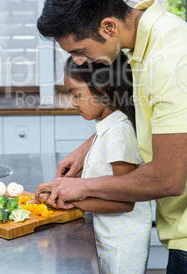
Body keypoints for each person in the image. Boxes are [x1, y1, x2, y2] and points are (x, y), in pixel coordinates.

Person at [35, 0, 187, 272]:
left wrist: (83, 189)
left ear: (108, 26)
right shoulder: (139, 43)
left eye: (79, 51)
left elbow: (168, 178)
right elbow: (139, 114)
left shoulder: (173, 58)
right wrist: (88, 147)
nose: (78, 62)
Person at [59, 53, 151, 273]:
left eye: (77, 95)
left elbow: (124, 200)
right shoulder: (108, 127)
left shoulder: (119, 132)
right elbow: (104, 175)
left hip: (122, 247)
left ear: (102, 88)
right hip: (109, 238)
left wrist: (74, 201)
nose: (73, 103)